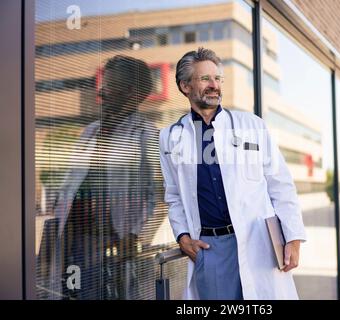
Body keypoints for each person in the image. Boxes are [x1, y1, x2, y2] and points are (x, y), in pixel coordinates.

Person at [159, 47, 307, 300]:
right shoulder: (170, 137)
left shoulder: (252, 125)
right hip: (209, 248)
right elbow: (173, 195)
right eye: (205, 79)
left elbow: (280, 184)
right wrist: (183, 237)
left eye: (217, 79)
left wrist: (293, 237)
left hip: (258, 242)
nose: (214, 85)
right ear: (185, 86)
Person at [44, 55, 157, 299]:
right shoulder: (91, 131)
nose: (101, 91)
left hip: (115, 243)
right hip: (76, 241)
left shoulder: (145, 134)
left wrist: (135, 234)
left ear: (129, 92)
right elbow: (70, 183)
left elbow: (156, 193)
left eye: (109, 85)